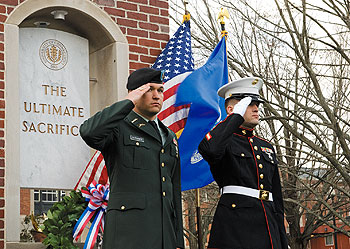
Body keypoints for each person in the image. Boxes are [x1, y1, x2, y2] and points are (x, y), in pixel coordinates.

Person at [80, 68, 184, 249]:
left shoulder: (169, 136)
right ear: (135, 93)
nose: (157, 95)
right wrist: (128, 102)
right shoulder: (119, 126)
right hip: (129, 236)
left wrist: (178, 242)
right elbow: (89, 132)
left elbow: (174, 192)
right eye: (149, 89)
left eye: (160, 90)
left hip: (164, 237)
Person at [198, 77, 288, 249]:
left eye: (257, 104)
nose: (256, 108)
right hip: (236, 226)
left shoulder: (266, 146)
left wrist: (282, 240)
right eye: (249, 103)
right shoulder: (224, 141)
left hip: (268, 225)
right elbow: (209, 149)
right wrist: (235, 118)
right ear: (232, 109)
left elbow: (276, 197)